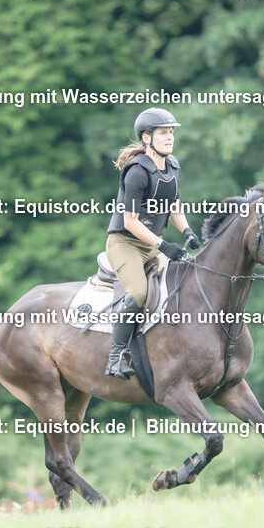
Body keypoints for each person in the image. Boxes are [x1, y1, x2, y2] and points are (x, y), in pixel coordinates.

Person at [105, 108, 201, 379]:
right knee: (138, 293)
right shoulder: (137, 172)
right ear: (146, 138)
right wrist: (163, 245)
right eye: (163, 133)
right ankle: (115, 357)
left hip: (151, 245)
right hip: (125, 243)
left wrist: (187, 231)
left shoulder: (173, 166)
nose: (170, 137)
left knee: (183, 283)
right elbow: (131, 221)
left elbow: (174, 208)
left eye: (171, 132)